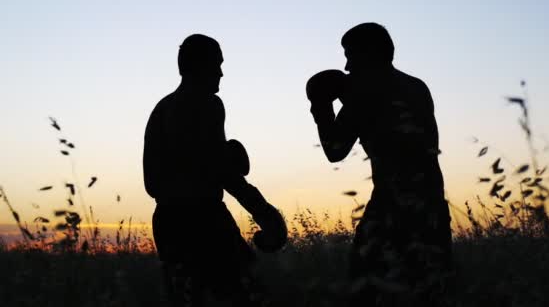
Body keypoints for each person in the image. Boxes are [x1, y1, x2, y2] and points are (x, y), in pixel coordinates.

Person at [307, 23, 452, 305]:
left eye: (350, 55)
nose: (346, 66)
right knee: (430, 290)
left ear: (368, 54)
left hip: (390, 205)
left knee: (365, 289)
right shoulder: (417, 86)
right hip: (432, 201)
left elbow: (335, 150)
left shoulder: (364, 91)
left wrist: (321, 105)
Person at [143, 34, 286, 307]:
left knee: (188, 298)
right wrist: (264, 211)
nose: (221, 72)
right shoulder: (206, 102)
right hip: (203, 218)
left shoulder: (161, 108)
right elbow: (220, 170)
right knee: (248, 294)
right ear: (200, 66)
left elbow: (153, 182)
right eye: (217, 64)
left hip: (167, 221)